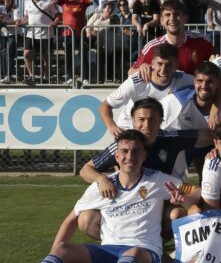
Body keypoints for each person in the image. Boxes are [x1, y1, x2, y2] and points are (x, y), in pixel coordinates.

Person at [0, 130, 202, 263]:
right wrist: (57, 253)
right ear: (116, 156)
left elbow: (196, 192)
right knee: (62, 250)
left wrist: (183, 199)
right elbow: (72, 218)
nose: (129, 156)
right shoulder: (101, 185)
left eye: (135, 151)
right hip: (108, 251)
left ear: (144, 155)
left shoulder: (157, 180)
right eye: (124, 151)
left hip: (145, 252)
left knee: (134, 253)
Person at [79, 98, 211, 239]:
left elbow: (210, 136)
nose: (146, 125)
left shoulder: (171, 139)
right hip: (125, 203)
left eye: (152, 119)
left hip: (157, 201)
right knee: (86, 220)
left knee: (177, 214)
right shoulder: (124, 145)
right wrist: (101, 178)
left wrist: (220, 147)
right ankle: (114, 243)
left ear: (161, 120)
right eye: (141, 119)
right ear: (133, 121)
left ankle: (157, 248)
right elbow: (85, 169)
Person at [100, 43, 193, 136]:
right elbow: (104, 106)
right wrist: (112, 127)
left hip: (156, 130)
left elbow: (204, 84)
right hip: (130, 129)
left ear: (176, 65)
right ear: (152, 63)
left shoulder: (181, 79)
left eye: (168, 65)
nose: (163, 70)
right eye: (159, 64)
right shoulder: (136, 82)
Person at [130, 0, 215, 76]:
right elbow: (131, 72)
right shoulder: (152, 46)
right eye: (167, 15)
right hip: (165, 93)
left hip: (193, 92)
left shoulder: (202, 42)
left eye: (176, 14)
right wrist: (141, 69)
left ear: (185, 19)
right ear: (162, 20)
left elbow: (217, 66)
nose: (172, 19)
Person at [160, 62, 221, 131]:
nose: (204, 86)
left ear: (218, 84)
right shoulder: (176, 101)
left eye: (210, 82)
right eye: (200, 81)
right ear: (194, 82)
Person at [20, 0, 60, 86]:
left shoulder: (48, 2)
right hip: (31, 33)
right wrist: (20, 21)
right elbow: (26, 17)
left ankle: (46, 77)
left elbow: (57, 16)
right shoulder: (27, 2)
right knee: (26, 54)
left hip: (46, 34)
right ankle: (31, 76)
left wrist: (55, 23)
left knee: (46, 57)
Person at [55, 0, 93, 85]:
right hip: (67, 33)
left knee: (83, 56)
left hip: (80, 33)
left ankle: (85, 77)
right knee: (68, 56)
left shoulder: (83, 1)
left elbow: (95, 0)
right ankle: (69, 77)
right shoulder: (63, 1)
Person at [0, 0, 20, 84]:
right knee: (3, 54)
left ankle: (9, 75)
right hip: (2, 35)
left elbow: (16, 21)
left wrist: (5, 22)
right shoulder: (1, 8)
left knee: (9, 54)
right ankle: (5, 75)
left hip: (12, 35)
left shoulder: (15, 8)